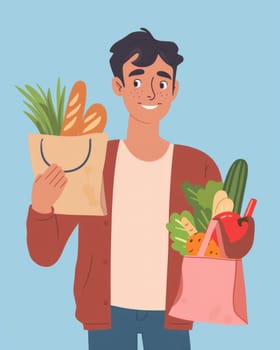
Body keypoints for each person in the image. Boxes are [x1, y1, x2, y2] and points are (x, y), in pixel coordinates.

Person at [26, 28, 254, 350]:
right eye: (136, 81)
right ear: (117, 86)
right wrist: (41, 208)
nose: (149, 93)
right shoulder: (94, 161)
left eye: (161, 83)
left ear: (174, 90)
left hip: (171, 312)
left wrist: (237, 230)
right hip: (106, 312)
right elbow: (45, 254)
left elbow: (220, 245)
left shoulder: (198, 166)